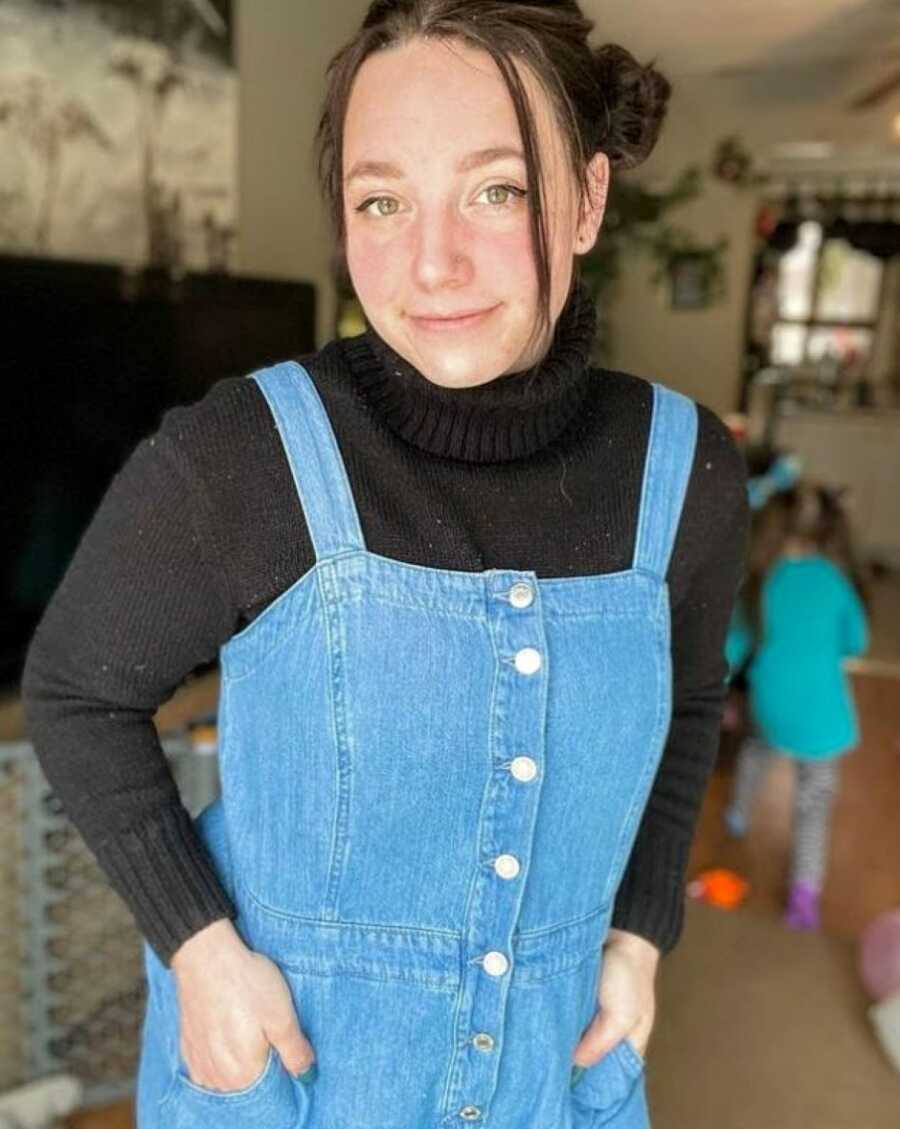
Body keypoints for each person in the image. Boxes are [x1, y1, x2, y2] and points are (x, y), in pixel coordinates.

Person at [21, 3, 749, 1126]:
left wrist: (645, 934)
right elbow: (76, 685)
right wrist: (201, 954)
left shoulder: (686, 469)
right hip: (297, 1084)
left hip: (556, 1080)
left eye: (495, 189)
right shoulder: (244, 455)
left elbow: (690, 703)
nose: (433, 261)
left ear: (589, 199)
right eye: (382, 200)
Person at [724, 480, 869, 931]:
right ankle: (804, 894)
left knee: (756, 752)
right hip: (824, 720)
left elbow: (732, 648)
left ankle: (739, 813)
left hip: (772, 707)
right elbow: (856, 642)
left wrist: (718, 694)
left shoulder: (760, 584)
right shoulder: (836, 581)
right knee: (814, 802)